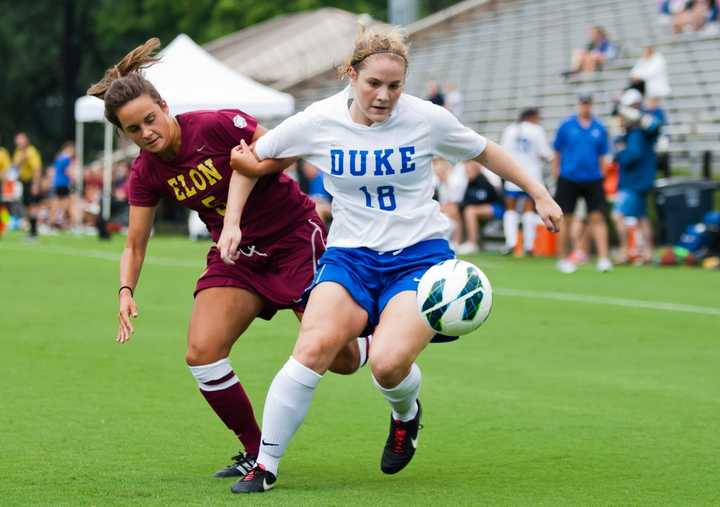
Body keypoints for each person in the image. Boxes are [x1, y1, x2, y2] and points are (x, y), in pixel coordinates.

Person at [224, 26, 562, 493]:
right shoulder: (317, 120)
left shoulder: (426, 119)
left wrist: (539, 193)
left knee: (385, 364)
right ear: (350, 74)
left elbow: (487, 151)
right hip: (350, 259)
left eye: (395, 86)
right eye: (373, 84)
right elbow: (247, 163)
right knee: (313, 348)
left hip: (419, 260)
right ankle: (266, 465)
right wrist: (231, 223)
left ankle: (406, 415)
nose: (384, 96)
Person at [87, 38, 366, 480]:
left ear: (164, 105)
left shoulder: (216, 125)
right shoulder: (145, 171)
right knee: (202, 352)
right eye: (134, 130)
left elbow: (286, 150)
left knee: (344, 361)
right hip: (236, 257)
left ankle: (379, 340)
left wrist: (254, 168)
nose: (147, 133)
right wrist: (125, 290)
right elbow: (135, 243)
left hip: (293, 241)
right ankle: (257, 452)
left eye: (150, 119)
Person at [553, 93, 612, 273]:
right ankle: (563, 258)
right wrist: (557, 173)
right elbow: (557, 151)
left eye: (588, 104)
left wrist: (602, 174)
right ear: (579, 105)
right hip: (569, 177)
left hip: (593, 178)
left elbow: (603, 155)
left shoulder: (599, 127)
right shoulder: (567, 126)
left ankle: (603, 258)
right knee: (566, 219)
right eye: (583, 103)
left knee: (597, 218)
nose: (585, 107)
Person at [612, 89, 661, 263]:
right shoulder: (638, 132)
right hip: (641, 180)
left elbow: (632, 155)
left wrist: (619, 153)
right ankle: (647, 252)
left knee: (618, 216)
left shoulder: (636, 133)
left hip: (633, 182)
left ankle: (625, 251)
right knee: (642, 217)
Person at [500, 108, 554, 255]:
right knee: (529, 209)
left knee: (510, 209)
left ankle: (510, 243)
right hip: (531, 176)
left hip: (512, 175)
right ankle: (529, 246)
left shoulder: (509, 130)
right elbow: (546, 154)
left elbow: (502, 153)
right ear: (532, 117)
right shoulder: (536, 130)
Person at [456, 161, 504, 254]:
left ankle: (472, 243)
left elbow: (489, 198)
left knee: (470, 211)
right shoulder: (467, 182)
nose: (467, 171)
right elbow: (464, 201)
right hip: (478, 208)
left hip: (496, 208)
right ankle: (456, 242)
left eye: (469, 169)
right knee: (459, 210)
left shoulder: (484, 180)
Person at [12, 132, 42, 239]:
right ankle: (31, 231)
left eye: (21, 140)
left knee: (33, 206)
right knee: (27, 207)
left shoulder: (31, 152)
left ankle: (34, 232)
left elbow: (37, 169)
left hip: (31, 181)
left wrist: (35, 184)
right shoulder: (18, 152)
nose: (19, 142)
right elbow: (15, 167)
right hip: (23, 182)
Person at [50, 142, 75, 230]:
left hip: (56, 183)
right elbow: (68, 171)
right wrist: (73, 179)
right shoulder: (66, 159)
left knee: (55, 203)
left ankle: (53, 222)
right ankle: (61, 221)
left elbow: (54, 170)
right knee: (66, 204)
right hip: (64, 183)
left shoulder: (58, 157)